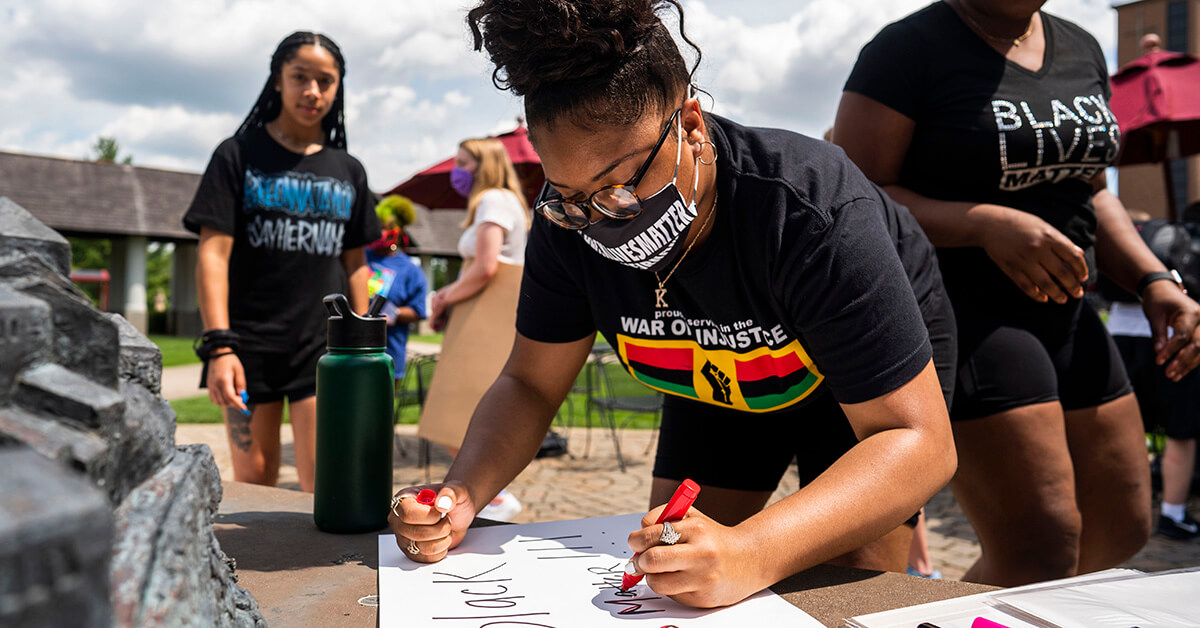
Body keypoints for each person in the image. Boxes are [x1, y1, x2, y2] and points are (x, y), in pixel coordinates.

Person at [390, 0, 958, 609]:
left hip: (864, 398)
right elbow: (530, 382)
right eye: (573, 198)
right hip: (720, 375)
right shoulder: (563, 227)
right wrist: (464, 492)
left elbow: (917, 441)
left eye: (620, 186)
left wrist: (754, 551)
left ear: (689, 124)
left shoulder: (808, 208)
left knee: (845, 592)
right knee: (675, 576)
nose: (598, 220)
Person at [834, 0, 1200, 586]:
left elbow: (1092, 193)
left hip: (1071, 309)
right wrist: (983, 223)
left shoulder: (1081, 47)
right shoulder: (906, 51)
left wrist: (1154, 278)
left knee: (1124, 525)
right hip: (967, 313)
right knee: (1041, 546)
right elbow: (853, 195)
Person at [184, 31, 378, 493]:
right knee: (254, 484)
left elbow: (356, 263)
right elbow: (213, 253)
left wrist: (363, 344)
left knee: (327, 481)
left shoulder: (348, 170)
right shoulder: (237, 156)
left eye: (325, 81)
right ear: (277, 81)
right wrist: (219, 347)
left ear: (337, 89)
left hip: (325, 348)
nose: (312, 90)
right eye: (300, 77)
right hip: (247, 345)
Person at [417, 137, 531, 521]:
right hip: (486, 312)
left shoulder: (492, 200)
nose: (457, 171)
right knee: (460, 413)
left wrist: (444, 295)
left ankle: (491, 497)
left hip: (486, 313)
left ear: (484, 165)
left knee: (457, 414)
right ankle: (489, 495)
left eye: (463, 163)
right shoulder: (506, 200)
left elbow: (485, 267)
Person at [1105, 208, 1200, 540]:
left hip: (1118, 334)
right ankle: (1172, 513)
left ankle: (1118, 507)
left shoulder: (1120, 240)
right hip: (1173, 335)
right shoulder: (1179, 240)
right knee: (1180, 431)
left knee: (1125, 426)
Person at [366, 194, 427, 385]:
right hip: (351, 348)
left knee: (380, 410)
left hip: (389, 350)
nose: (380, 232)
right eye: (377, 226)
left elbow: (418, 310)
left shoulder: (410, 270)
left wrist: (393, 313)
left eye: (385, 227)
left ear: (398, 231)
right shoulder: (359, 257)